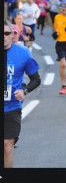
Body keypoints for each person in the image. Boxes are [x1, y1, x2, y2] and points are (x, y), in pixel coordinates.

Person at [4, 20, 41, 168]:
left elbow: (36, 79)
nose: (4, 37)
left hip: (11, 107)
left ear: (13, 34)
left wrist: (24, 91)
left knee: (7, 146)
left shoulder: (23, 54)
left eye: (6, 33)